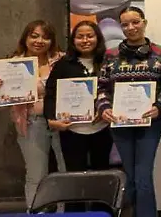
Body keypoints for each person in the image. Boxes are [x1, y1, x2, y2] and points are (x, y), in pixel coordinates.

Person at [96, 7, 161, 217]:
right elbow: (102, 87)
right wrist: (104, 108)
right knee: (129, 175)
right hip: (119, 123)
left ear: (144, 23)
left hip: (150, 124)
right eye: (125, 24)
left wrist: (159, 107)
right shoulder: (110, 55)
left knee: (143, 176)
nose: (131, 28)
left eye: (135, 22)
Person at [0, 19, 66, 208]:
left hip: (62, 122)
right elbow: (0, 101)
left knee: (65, 173)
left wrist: (40, 88)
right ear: (25, 38)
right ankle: (36, 212)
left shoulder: (62, 60)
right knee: (36, 174)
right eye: (34, 36)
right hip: (31, 123)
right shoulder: (12, 65)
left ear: (52, 40)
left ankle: (64, 213)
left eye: (45, 37)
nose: (39, 41)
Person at [45, 21, 113, 211]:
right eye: (80, 36)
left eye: (90, 36)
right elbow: (50, 94)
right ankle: (75, 213)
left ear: (98, 38)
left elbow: (115, 91)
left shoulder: (108, 62)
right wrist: (52, 119)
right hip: (72, 131)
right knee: (74, 179)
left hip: (102, 129)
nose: (85, 40)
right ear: (73, 40)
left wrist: (106, 109)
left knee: (101, 175)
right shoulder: (63, 65)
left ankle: (102, 213)